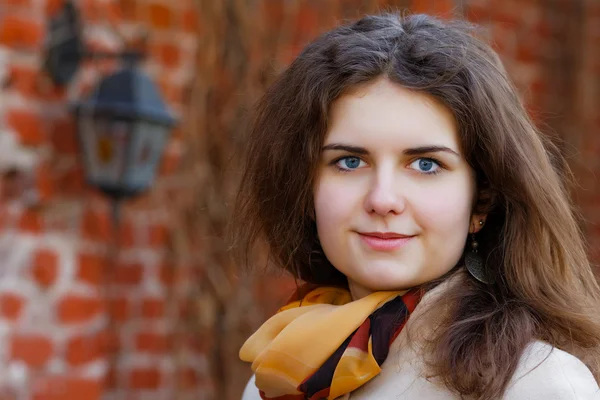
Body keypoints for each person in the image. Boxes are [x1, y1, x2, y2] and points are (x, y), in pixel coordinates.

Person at [231, 12, 600, 400]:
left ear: (482, 200)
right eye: (350, 161)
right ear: (304, 188)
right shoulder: (273, 377)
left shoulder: (535, 382)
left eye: (426, 165)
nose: (383, 199)